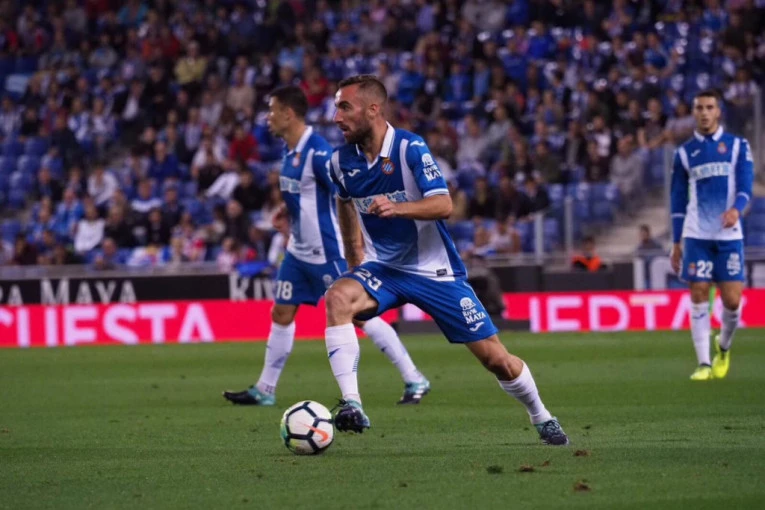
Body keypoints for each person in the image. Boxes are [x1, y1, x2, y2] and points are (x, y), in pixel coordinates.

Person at [325, 75, 567, 445]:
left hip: (435, 272)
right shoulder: (341, 162)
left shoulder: (409, 148)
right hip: (384, 269)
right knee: (338, 298)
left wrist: (399, 208)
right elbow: (344, 201)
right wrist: (354, 255)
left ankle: (541, 415)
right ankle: (352, 404)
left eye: (345, 107)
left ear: (373, 109)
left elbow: (444, 204)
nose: (336, 117)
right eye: (336, 107)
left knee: (496, 360)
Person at [223, 85, 429, 407]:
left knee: (359, 316)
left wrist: (357, 245)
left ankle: (414, 377)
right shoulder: (290, 150)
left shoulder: (318, 153)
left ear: (289, 114)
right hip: (298, 251)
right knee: (281, 312)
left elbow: (347, 194)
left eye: (273, 110)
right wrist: (286, 210)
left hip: (328, 252)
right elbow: (305, 193)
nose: (268, 117)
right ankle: (265, 388)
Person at [670, 90, 753, 381]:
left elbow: (746, 186)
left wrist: (736, 210)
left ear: (718, 112)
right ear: (694, 112)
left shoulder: (737, 146)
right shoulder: (684, 153)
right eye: (699, 108)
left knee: (732, 301)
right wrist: (676, 241)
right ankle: (704, 363)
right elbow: (677, 200)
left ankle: (724, 347)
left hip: (729, 235)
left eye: (709, 107)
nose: (704, 113)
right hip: (696, 235)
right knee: (698, 293)